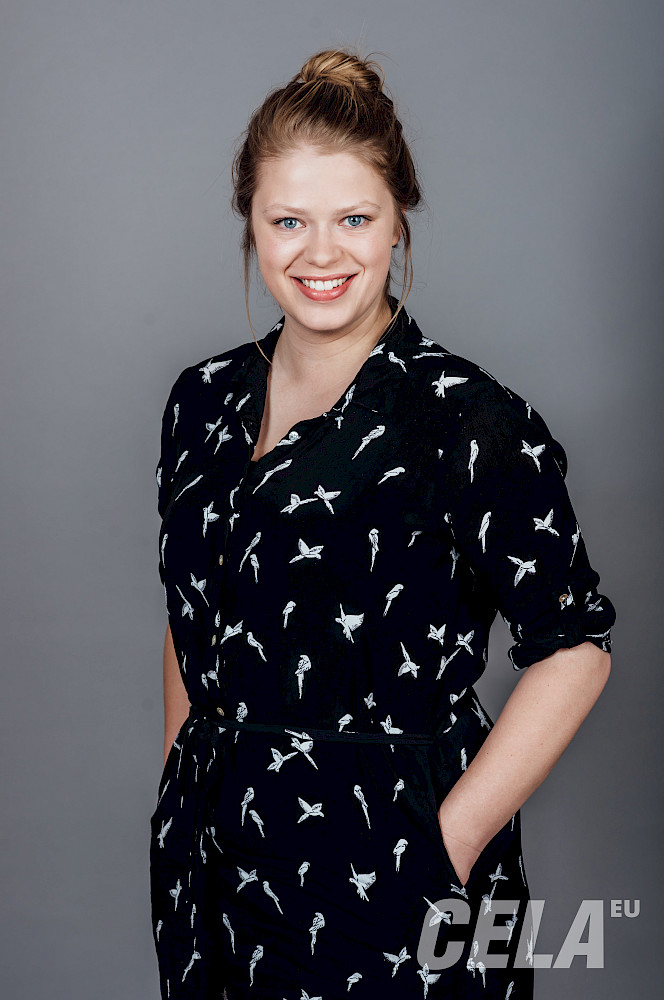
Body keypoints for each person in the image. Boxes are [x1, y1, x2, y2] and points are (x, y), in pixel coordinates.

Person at [149, 47, 616, 999]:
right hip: (213, 869)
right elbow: (193, 611)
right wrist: (179, 783)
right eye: (289, 221)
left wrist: (446, 848)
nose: (321, 255)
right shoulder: (200, 401)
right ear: (250, 221)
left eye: (354, 219)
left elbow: (576, 647)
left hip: (398, 869)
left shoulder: (467, 420)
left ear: (399, 220)